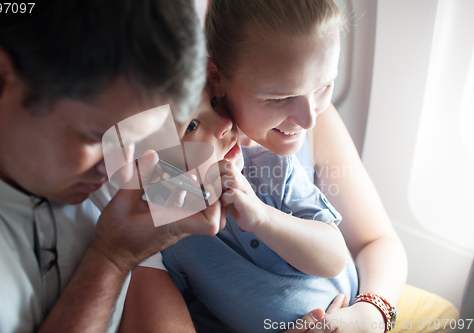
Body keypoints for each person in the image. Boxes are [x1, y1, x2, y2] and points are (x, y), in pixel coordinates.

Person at [123, 0, 459, 332]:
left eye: (325, 86)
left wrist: (368, 316)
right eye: (279, 98)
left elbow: (375, 241)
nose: (309, 117)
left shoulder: (293, 147)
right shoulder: (164, 177)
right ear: (217, 77)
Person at [0, 1, 227, 332]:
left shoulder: (99, 176)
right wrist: (110, 261)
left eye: (143, 138)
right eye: (96, 138)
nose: (120, 169)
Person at [121, 84, 355, 332]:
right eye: (192, 125)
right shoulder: (172, 236)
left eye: (214, 104)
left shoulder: (272, 166)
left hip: (349, 313)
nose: (224, 123)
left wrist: (261, 217)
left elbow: (335, 258)